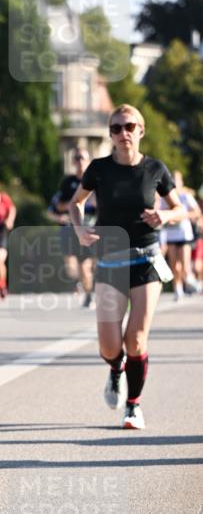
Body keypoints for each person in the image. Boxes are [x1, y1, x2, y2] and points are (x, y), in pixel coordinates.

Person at [70, 104, 183, 431]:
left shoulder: (156, 170)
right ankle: (115, 370)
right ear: (110, 134)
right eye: (116, 128)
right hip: (109, 260)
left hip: (146, 259)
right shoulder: (99, 168)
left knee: (135, 339)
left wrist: (167, 216)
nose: (124, 133)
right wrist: (79, 230)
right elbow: (76, 203)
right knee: (109, 345)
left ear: (141, 130)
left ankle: (133, 406)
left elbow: (181, 210)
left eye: (129, 126)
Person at [47, 148, 96, 307]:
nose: (80, 161)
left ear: (89, 161)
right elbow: (59, 206)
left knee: (87, 265)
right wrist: (76, 203)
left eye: (83, 157)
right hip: (71, 228)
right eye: (77, 158)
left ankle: (90, 292)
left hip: (91, 228)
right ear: (74, 161)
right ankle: (83, 287)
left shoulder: (96, 180)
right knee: (72, 266)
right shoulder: (68, 182)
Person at [160, 171, 199, 300]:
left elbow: (196, 212)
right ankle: (178, 289)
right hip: (171, 235)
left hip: (184, 234)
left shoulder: (185, 197)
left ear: (181, 181)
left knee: (184, 264)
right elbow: (161, 212)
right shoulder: (165, 197)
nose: (175, 183)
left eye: (177, 180)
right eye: (173, 180)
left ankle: (189, 280)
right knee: (174, 266)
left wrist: (182, 215)